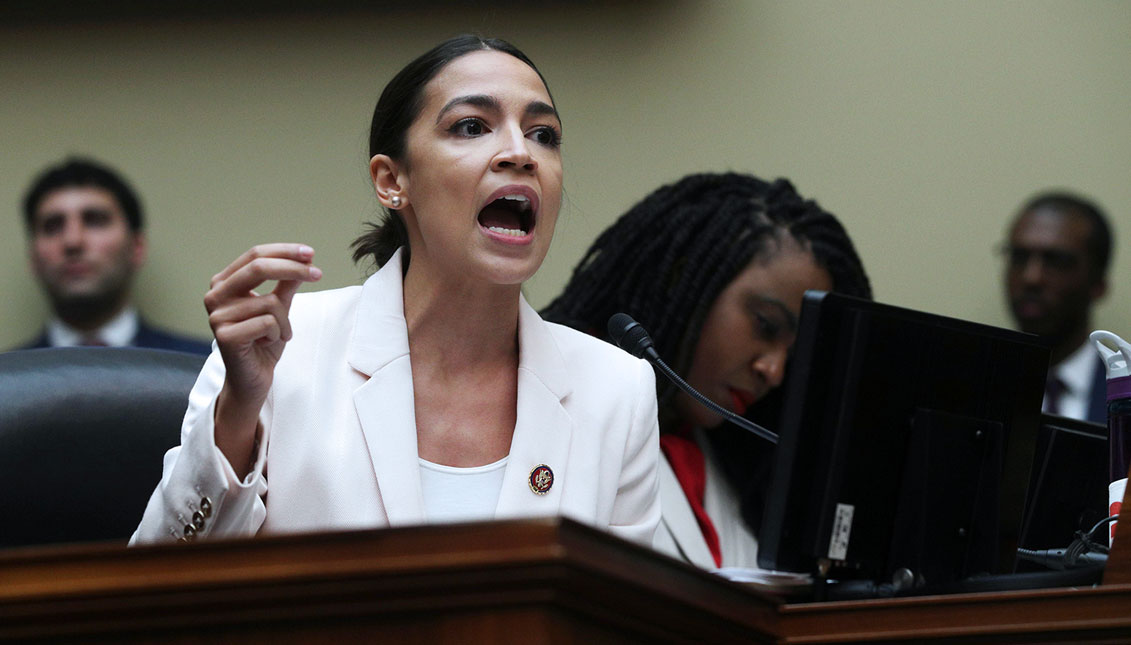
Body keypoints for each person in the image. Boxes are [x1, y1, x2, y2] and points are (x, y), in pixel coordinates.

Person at [131, 36, 660, 546]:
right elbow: (153, 592)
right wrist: (238, 414)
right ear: (391, 181)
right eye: (473, 126)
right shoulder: (283, 350)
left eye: (544, 134)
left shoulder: (617, 391)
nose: (521, 153)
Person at [542, 173, 872, 569]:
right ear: (679, 275)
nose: (775, 371)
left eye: (795, 354)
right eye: (765, 325)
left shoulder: (733, 465)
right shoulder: (546, 402)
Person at [14, 158, 211, 354]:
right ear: (33, 258)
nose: (72, 241)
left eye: (95, 221)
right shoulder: (7, 377)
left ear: (137, 248)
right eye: (53, 226)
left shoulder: (207, 369)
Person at [1003, 192, 1113, 423]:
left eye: (1056, 261)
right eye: (1019, 257)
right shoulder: (969, 384)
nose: (1031, 278)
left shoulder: (1124, 395)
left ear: (1098, 283)